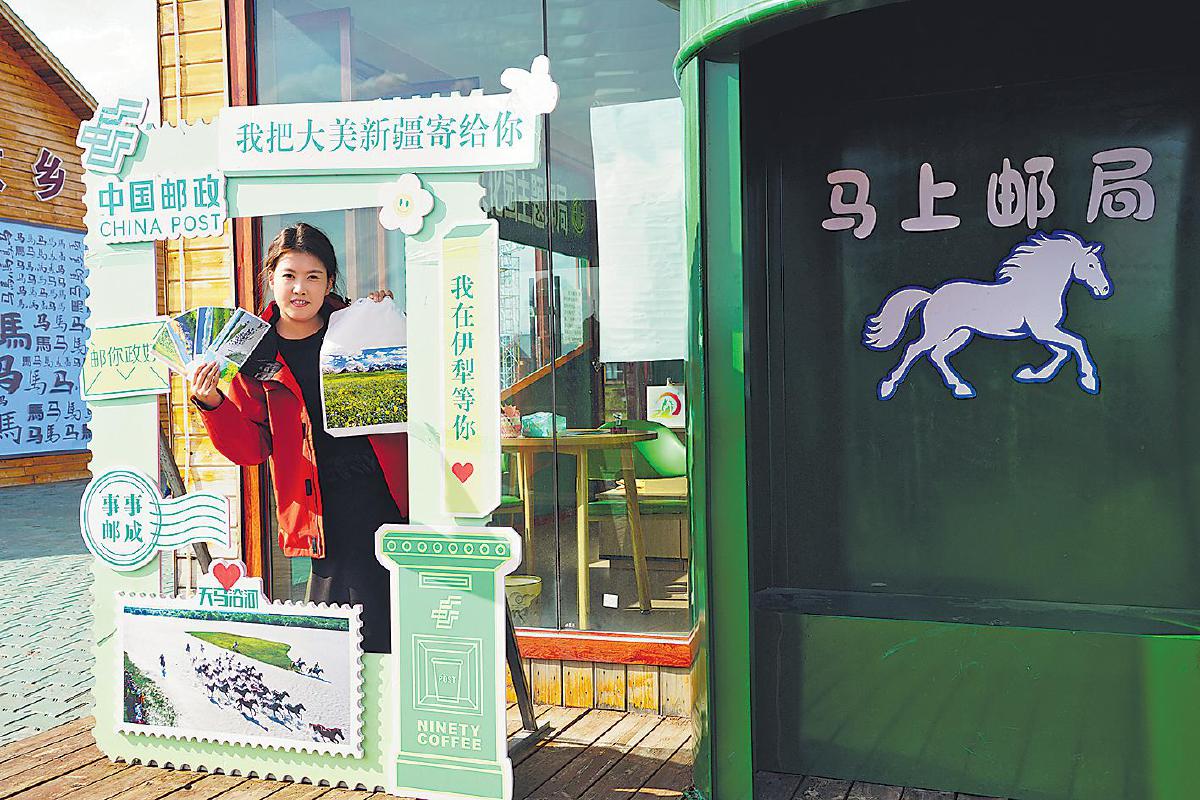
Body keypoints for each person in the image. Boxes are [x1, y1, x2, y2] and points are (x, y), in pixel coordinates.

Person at [189, 222, 408, 653]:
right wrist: (212, 402)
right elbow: (251, 449)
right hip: (317, 506)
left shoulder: (358, 326)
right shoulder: (251, 351)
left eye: (313, 276)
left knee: (392, 612)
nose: (299, 288)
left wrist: (386, 319)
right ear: (270, 278)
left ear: (330, 281)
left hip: (383, 492)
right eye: (288, 275)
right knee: (339, 629)